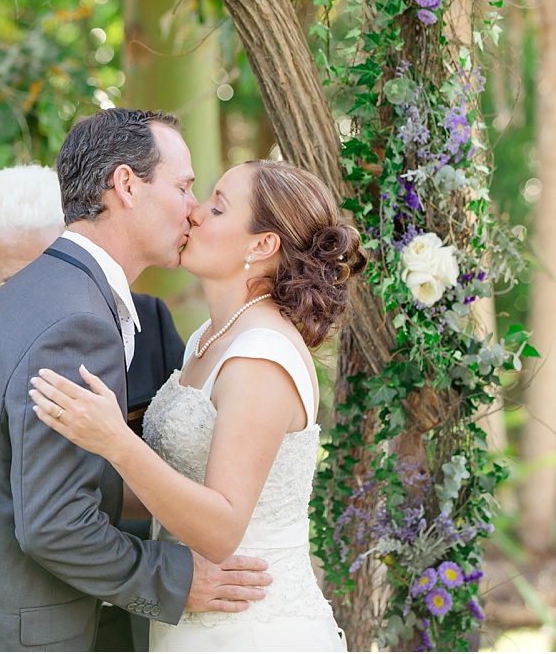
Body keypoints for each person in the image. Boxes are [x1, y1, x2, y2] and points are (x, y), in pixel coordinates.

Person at [0, 109, 273, 652]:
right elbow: (55, 525)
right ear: (127, 185)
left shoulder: (35, 293)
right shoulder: (76, 322)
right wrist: (175, 577)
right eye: (183, 186)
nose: (192, 208)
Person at [30, 160, 366, 652]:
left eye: (218, 207)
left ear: (261, 245)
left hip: (249, 629)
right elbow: (171, 489)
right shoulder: (210, 339)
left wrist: (115, 440)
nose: (194, 213)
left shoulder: (261, 357)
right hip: (190, 620)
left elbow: (222, 528)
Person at [0, 163, 186, 652]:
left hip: (133, 621)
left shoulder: (148, 321)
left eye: (47, 270)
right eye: (12, 281)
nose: (37, 301)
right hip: (10, 620)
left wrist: (111, 549)